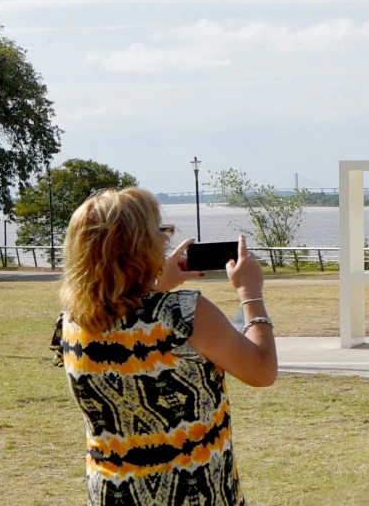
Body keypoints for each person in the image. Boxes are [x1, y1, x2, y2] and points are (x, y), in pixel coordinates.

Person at [52, 187, 277, 506]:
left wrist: (157, 285)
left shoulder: (70, 324)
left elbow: (126, 326)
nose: (166, 239)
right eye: (160, 231)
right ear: (141, 246)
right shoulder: (186, 314)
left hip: (113, 495)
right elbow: (263, 370)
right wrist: (250, 294)